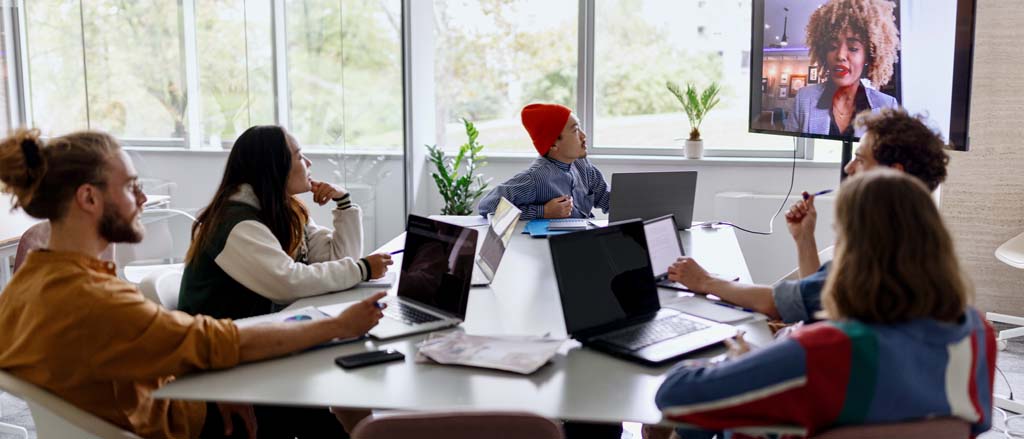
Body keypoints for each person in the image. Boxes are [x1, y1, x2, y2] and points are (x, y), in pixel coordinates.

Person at [0, 128, 386, 439]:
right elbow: (220, 342)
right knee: (312, 403)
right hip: (178, 425)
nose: (144, 197)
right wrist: (338, 326)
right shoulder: (97, 300)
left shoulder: (29, 282)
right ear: (88, 198)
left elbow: (157, 352)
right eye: (131, 185)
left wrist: (210, 392)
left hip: (172, 404)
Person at [656, 169, 995, 438]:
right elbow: (973, 424)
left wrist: (741, 364)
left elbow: (675, 396)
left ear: (853, 254)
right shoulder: (978, 333)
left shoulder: (823, 351)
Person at [669, 107, 949, 323]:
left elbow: (776, 304)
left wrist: (705, 281)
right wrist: (805, 240)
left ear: (892, 173)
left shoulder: (877, 252)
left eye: (860, 158)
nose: (849, 168)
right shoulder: (921, 244)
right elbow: (817, 300)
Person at [178, 125, 393, 320]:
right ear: (274, 167)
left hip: (256, 330)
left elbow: (339, 259)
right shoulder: (236, 224)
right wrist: (362, 269)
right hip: (216, 345)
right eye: (299, 156)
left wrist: (344, 203)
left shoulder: (286, 209)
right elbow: (287, 283)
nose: (309, 163)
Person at [785, 0, 900, 136]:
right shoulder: (804, 99)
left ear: (869, 57)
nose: (840, 55)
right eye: (832, 46)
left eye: (853, 48)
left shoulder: (887, 106)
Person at [477, 103, 611, 220]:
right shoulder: (536, 178)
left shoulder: (583, 165)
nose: (583, 136)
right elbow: (487, 206)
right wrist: (543, 211)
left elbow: (608, 200)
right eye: (575, 130)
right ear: (553, 145)